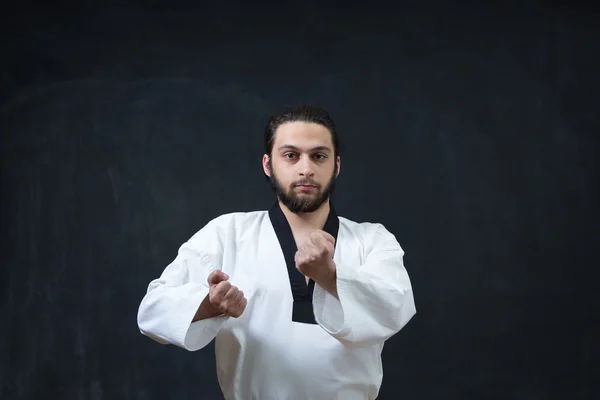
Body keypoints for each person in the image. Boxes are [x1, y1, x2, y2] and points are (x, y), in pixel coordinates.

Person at [136, 104, 417, 400]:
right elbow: (152, 311)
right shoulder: (228, 233)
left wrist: (330, 276)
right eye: (291, 155)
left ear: (336, 165)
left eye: (318, 156)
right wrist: (209, 305)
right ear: (268, 165)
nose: (305, 168)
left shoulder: (371, 240)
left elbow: (396, 306)